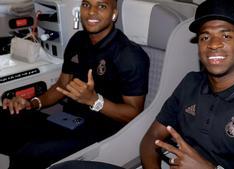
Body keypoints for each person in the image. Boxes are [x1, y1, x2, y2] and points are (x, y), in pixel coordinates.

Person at [140, 0, 234, 169]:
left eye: (226, 36)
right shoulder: (189, 83)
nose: (213, 44)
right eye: (205, 37)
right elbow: (151, 138)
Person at [0, 0, 149, 168]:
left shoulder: (130, 56)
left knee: (30, 154)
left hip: (101, 131)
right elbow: (62, 85)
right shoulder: (78, 40)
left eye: (101, 6)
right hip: (68, 120)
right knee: (6, 119)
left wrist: (94, 101)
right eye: (86, 5)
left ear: (114, 14)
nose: (91, 12)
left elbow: (133, 114)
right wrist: (32, 103)